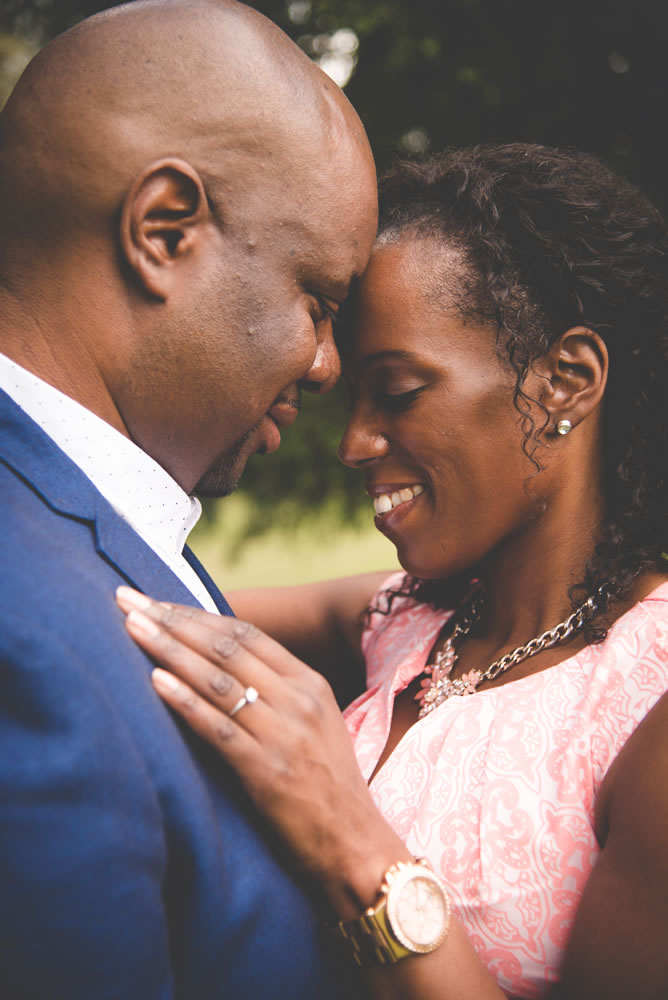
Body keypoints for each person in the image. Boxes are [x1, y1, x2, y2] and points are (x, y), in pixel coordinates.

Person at [117, 143, 668, 999]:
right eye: (351, 402)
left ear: (566, 381)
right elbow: (135, 609)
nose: (354, 444)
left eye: (401, 391)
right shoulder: (408, 619)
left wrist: (351, 843)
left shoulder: (646, 694)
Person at [0, 1, 378, 996]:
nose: (328, 364)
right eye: (318, 300)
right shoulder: (23, 645)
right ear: (165, 230)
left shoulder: (77, 514)